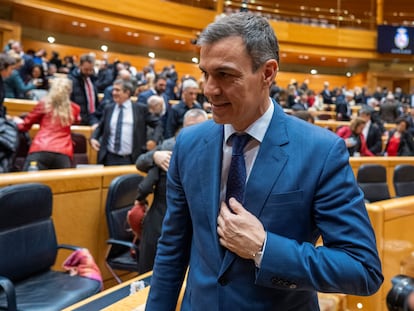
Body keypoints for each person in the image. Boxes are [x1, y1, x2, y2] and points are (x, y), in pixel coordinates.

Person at [145, 12, 383, 311]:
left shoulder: (321, 152)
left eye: (225, 75)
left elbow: (362, 269)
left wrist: (264, 248)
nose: (208, 89)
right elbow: (172, 250)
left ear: (268, 73)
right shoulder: (189, 143)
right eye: (205, 73)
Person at [134, 108, 208, 274]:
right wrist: (154, 156)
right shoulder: (169, 146)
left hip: (194, 227)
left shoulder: (212, 153)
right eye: (188, 128)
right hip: (160, 222)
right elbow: (140, 163)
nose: (192, 133)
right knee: (148, 275)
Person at [13, 77, 81, 170]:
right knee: (61, 184)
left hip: (41, 148)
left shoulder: (44, 104)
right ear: (70, 91)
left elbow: (25, 125)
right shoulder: (75, 108)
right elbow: (77, 120)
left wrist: (15, 122)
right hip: (63, 152)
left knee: (29, 183)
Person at [90, 79, 163, 166]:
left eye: (117, 90)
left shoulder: (140, 109)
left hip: (131, 158)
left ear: (127, 93)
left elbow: (158, 124)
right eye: (113, 90)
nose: (113, 93)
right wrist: (94, 138)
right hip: (109, 158)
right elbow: (101, 126)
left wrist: (154, 140)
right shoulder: (108, 108)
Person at [68, 53, 100, 126]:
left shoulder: (93, 79)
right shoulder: (71, 80)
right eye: (86, 69)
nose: (88, 72)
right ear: (80, 66)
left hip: (92, 118)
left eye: (91, 70)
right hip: (77, 119)